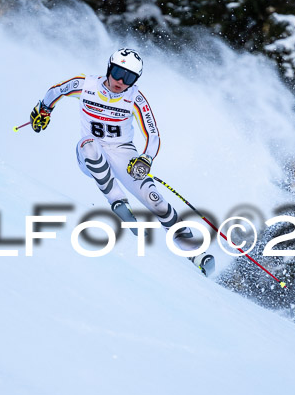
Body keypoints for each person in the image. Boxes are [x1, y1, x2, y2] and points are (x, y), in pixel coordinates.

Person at [28, 48, 214, 275]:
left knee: (156, 201)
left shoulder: (134, 98)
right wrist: (43, 110)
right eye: (117, 72)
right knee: (89, 144)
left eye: (129, 78)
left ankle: (196, 253)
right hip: (89, 155)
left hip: (123, 155)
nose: (120, 81)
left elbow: (153, 135)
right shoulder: (85, 85)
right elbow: (56, 91)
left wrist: (145, 159)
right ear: (108, 68)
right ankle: (118, 203)